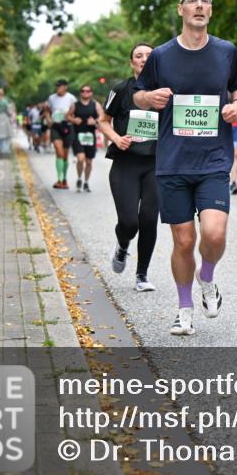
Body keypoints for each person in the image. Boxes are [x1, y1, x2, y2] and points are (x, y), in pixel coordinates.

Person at [133, 0, 237, 336]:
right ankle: (184, 309)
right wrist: (149, 97)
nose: (199, 6)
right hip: (173, 161)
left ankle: (206, 278)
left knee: (213, 233)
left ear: (211, 10)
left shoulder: (226, 51)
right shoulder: (161, 56)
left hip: (213, 158)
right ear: (180, 9)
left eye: (205, 1)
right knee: (183, 242)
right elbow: (136, 96)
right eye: (192, 1)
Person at [99, 42, 159, 292]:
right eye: (139, 55)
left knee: (148, 219)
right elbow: (104, 121)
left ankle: (142, 275)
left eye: (149, 55)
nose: (144, 59)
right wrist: (116, 138)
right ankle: (123, 245)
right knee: (129, 222)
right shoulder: (121, 89)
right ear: (132, 62)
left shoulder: (165, 90)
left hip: (156, 164)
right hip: (126, 164)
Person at [69, 84, 103, 192]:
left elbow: (103, 117)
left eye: (88, 91)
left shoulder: (95, 105)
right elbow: (67, 116)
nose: (85, 93)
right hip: (78, 136)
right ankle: (79, 178)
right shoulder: (75, 105)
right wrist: (74, 120)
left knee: (88, 162)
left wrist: (95, 121)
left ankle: (86, 182)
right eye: (83, 91)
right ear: (80, 93)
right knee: (80, 159)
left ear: (91, 93)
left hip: (90, 136)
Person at [47, 79, 77, 189]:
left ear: (65, 87)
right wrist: (48, 120)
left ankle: (64, 179)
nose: (57, 88)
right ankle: (59, 180)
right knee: (58, 151)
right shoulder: (51, 98)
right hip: (56, 126)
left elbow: (75, 110)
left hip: (67, 127)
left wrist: (68, 114)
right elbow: (47, 110)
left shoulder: (71, 98)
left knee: (65, 154)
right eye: (57, 86)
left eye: (60, 86)